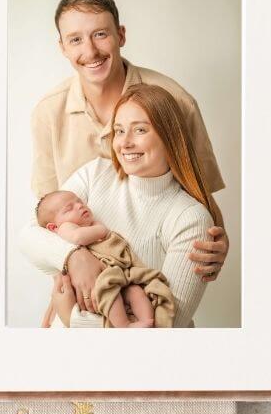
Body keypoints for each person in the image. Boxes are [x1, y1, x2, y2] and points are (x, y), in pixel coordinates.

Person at [30, 0, 228, 318]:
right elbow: (43, 222)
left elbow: (202, 196)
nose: (90, 50)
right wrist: (73, 263)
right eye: (75, 39)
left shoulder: (174, 103)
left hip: (149, 288)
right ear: (62, 47)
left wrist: (219, 243)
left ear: (121, 35)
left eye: (100, 34)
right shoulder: (48, 113)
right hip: (81, 294)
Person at [20, 84, 215, 328]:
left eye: (140, 130)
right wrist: (74, 256)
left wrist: (72, 318)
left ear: (169, 136)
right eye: (119, 131)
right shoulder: (95, 174)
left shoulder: (190, 218)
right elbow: (28, 235)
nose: (125, 143)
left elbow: (166, 325)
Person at [35, 189, 175, 329]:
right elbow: (77, 238)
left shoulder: (87, 223)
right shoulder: (64, 228)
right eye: (69, 208)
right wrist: (101, 230)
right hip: (101, 280)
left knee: (135, 291)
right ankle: (124, 325)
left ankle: (148, 322)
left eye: (79, 202)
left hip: (116, 274)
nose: (79, 206)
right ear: (53, 227)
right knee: (110, 294)